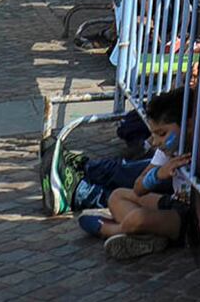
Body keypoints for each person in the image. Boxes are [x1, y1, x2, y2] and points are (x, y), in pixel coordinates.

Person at [79, 88, 190, 259]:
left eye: (162, 133)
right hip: (173, 202)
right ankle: (151, 237)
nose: (155, 142)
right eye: (153, 134)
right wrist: (158, 175)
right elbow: (138, 188)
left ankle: (110, 230)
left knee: (137, 219)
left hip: (187, 218)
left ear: (188, 125)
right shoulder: (165, 151)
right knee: (116, 196)